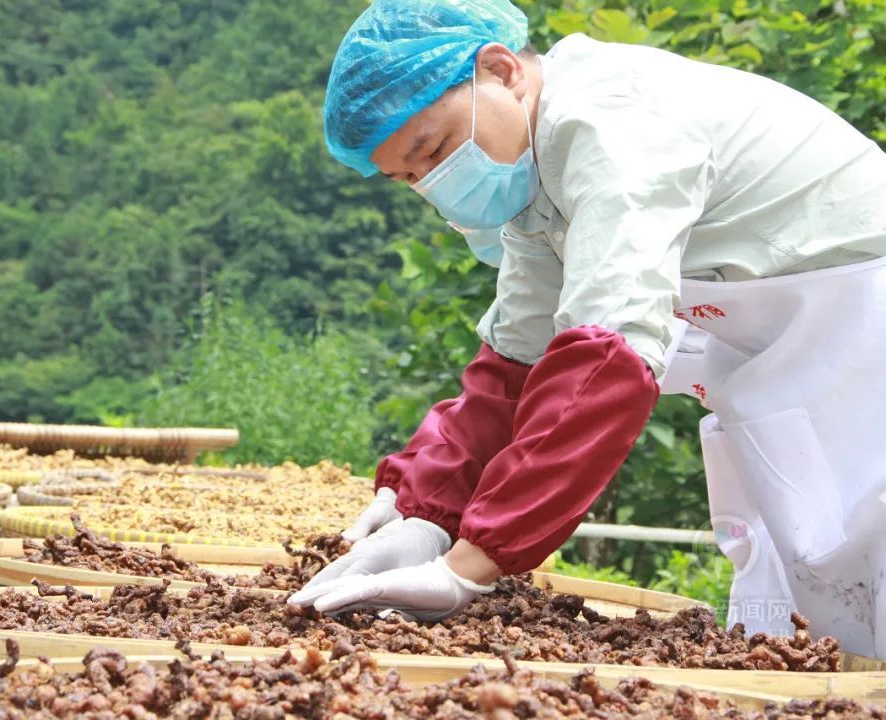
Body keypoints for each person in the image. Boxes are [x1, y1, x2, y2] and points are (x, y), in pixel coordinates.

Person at [287, 0, 886, 658]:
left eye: (432, 149)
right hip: (797, 364)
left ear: (500, 69)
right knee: (819, 603)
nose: (433, 184)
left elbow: (604, 366)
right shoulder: (538, 190)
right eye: (407, 176)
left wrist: (469, 566)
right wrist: (424, 507)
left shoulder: (611, 124)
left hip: (863, 335)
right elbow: (513, 368)